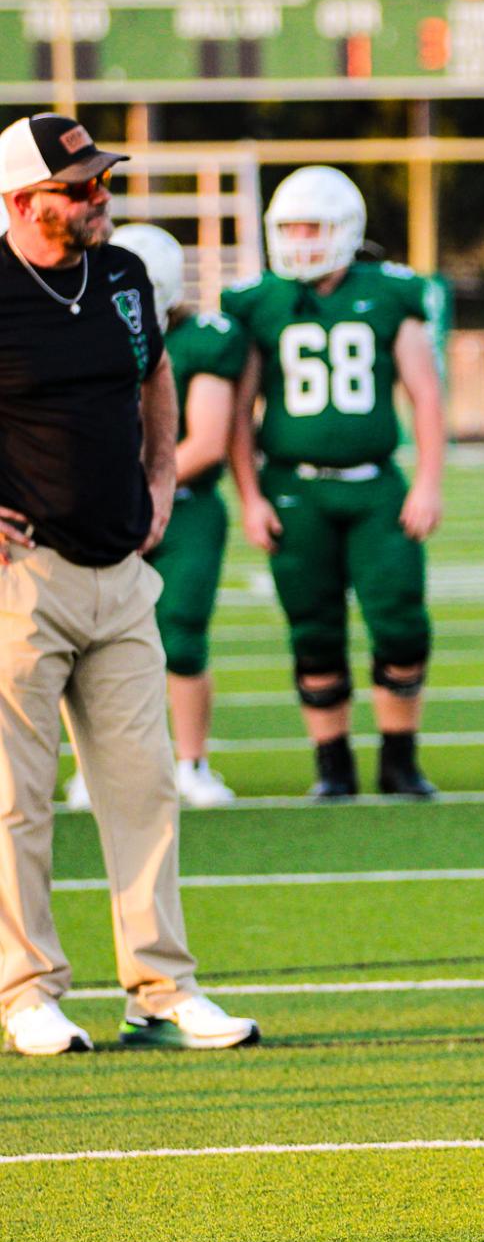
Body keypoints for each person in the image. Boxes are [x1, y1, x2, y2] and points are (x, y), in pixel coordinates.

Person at [0, 113, 257, 1054]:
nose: (100, 197)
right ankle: (26, 992)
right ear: (23, 201)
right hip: (22, 579)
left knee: (146, 786)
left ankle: (160, 988)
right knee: (16, 799)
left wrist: (160, 482)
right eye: (79, 188)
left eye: (102, 181)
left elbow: (155, 377)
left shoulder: (123, 274)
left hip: (122, 570)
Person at [224, 166, 447, 799]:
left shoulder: (389, 293)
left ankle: (400, 761)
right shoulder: (259, 301)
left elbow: (425, 395)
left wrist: (428, 481)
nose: (300, 238)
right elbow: (240, 413)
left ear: (348, 230)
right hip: (294, 487)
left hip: (376, 485)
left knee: (400, 621)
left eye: (313, 227)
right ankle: (332, 767)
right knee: (313, 627)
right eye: (290, 226)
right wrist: (250, 496)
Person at [71, 224, 244, 808]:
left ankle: (191, 762)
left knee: (183, 634)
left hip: (183, 506)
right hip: (97, 509)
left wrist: (144, 495)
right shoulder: (76, 334)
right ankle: (95, 769)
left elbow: (208, 441)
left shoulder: (201, 340)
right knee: (90, 645)